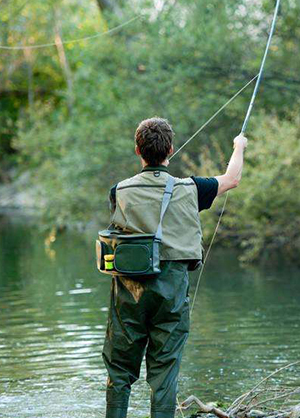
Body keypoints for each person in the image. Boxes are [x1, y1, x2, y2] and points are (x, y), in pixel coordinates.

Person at [102, 116, 247, 418]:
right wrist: (239, 145)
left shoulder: (119, 191)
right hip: (172, 288)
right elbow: (232, 178)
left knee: (119, 372)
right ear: (171, 149)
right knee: (164, 373)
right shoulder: (191, 188)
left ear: (137, 150)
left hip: (128, 291)